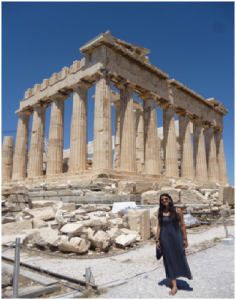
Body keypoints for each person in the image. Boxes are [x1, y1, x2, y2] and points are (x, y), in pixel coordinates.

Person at [156, 193, 192, 296]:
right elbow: (159, 226)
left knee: (179, 257)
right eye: (162, 200)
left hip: (177, 238)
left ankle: (174, 278)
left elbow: (183, 225)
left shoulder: (178, 211)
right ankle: (174, 285)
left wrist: (185, 238)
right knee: (169, 260)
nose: (164, 201)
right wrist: (157, 240)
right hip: (165, 239)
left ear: (170, 200)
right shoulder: (161, 212)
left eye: (166, 199)